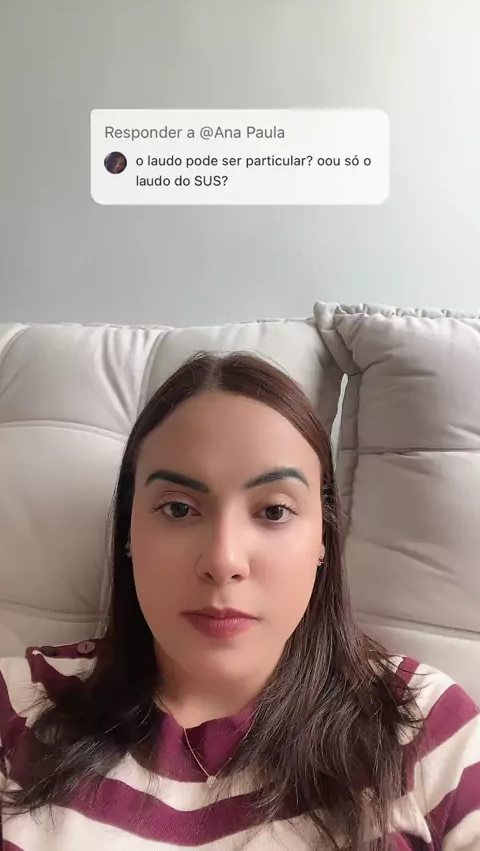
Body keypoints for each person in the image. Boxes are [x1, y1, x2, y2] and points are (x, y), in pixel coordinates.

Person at [0, 351, 479, 850]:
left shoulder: (425, 725)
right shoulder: (17, 705)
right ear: (128, 532)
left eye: (274, 511)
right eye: (178, 509)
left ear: (323, 538)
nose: (223, 560)